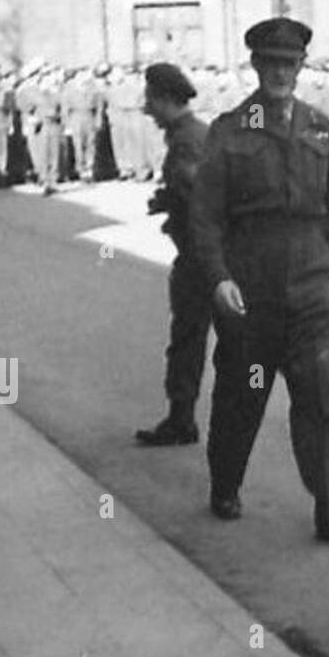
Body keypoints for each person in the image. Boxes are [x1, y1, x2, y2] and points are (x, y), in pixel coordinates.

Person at [189, 16, 329, 549]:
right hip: (252, 287)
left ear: (301, 67)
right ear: (254, 65)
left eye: (288, 65)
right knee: (243, 393)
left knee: (323, 394)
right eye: (270, 64)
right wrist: (220, 277)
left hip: (310, 285)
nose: (279, 73)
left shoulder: (318, 126)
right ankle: (225, 483)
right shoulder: (230, 129)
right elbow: (205, 216)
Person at [133, 62, 216, 447]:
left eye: (151, 101)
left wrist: (175, 209)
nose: (147, 110)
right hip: (212, 258)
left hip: (201, 261)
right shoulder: (199, 133)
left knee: (187, 338)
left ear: (167, 100)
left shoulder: (186, 142)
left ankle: (182, 419)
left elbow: (201, 199)